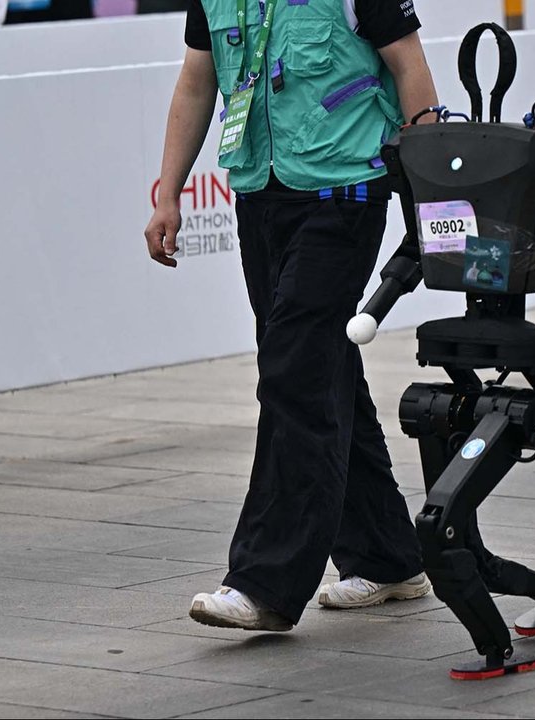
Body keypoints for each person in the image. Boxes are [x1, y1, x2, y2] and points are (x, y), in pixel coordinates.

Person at [144, 0, 441, 631]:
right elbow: (197, 80)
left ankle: (267, 582)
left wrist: (430, 189)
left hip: (344, 193)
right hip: (260, 197)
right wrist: (169, 191)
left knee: (293, 372)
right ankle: (387, 557)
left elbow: (410, 70)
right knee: (320, 369)